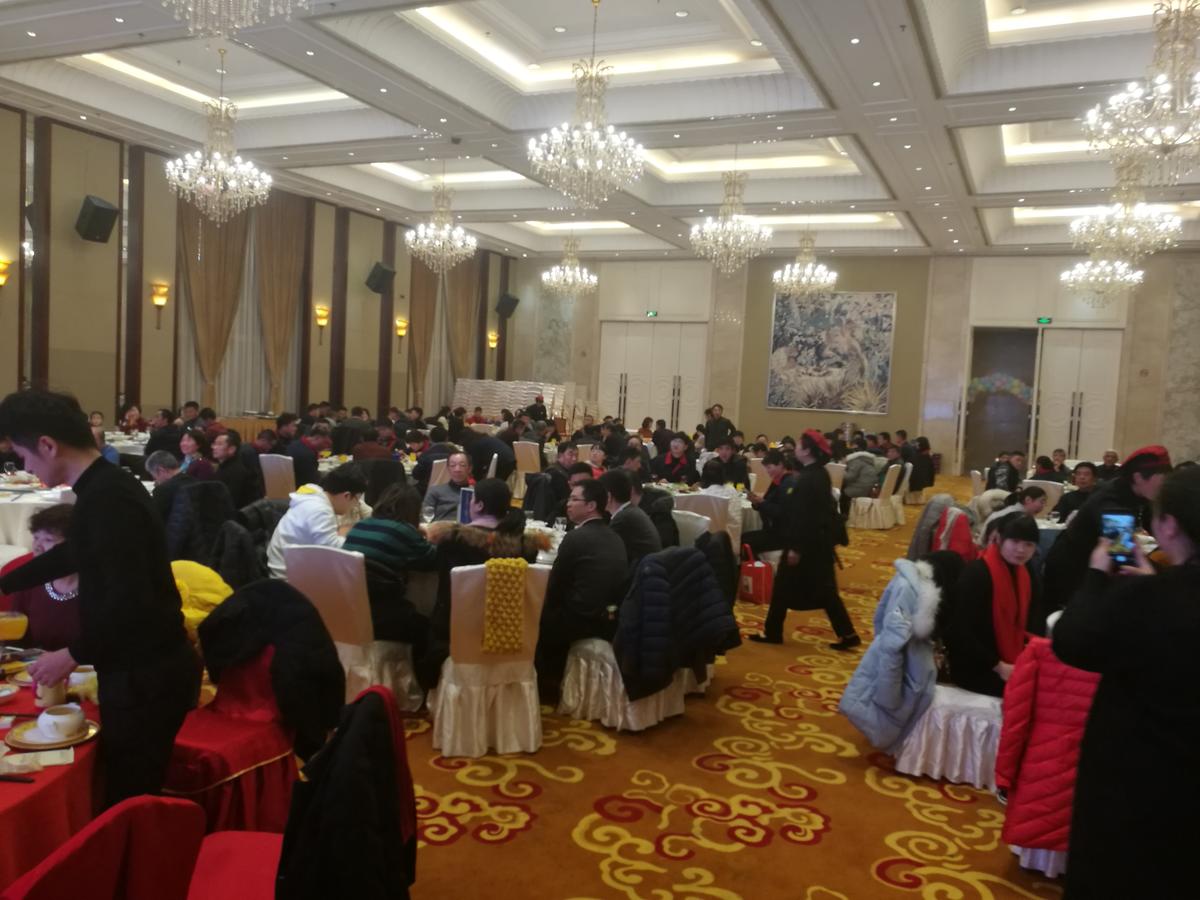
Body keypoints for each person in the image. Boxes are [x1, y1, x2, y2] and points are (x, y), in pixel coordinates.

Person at [0, 389, 199, 806]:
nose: (26, 467)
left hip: (146, 672)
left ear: (47, 445)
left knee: (129, 797)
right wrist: (6, 584)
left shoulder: (110, 498)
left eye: (23, 455)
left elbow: (132, 600)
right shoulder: (103, 487)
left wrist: (72, 653)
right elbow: (77, 553)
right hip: (140, 665)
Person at [1051, 466, 1200, 899]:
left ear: (1168, 525)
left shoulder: (1147, 599)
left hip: (1137, 776)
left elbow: (1072, 641)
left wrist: (1097, 575)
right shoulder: (1158, 594)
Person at [419, 479, 547, 688]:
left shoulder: (453, 540)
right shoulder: (526, 546)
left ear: (478, 505)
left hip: (458, 633)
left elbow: (443, 589)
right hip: (512, 632)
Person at [839, 551, 965, 753]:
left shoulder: (907, 583)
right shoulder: (912, 594)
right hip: (905, 663)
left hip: (902, 657)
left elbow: (880, 618)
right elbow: (893, 646)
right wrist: (889, 696)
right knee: (888, 702)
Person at [751, 431, 859, 650]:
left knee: (814, 590)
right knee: (813, 590)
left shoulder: (809, 479)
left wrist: (795, 548)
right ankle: (846, 633)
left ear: (808, 451)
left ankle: (774, 632)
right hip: (816, 542)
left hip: (808, 544)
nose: (796, 449)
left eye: (800, 446)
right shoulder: (818, 473)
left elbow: (805, 516)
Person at [1042, 445, 1171, 609]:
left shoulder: (1136, 492)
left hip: (1094, 563)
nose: (1164, 485)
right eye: (1162, 479)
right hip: (1072, 568)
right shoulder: (1112, 501)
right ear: (1138, 477)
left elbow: (1154, 524)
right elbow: (1122, 554)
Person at [536, 479, 629, 699]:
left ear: (591, 506)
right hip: (611, 616)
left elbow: (555, 586)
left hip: (584, 619)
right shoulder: (614, 536)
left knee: (535, 615)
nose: (568, 504)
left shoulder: (576, 538)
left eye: (574, 499)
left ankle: (545, 686)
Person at [945, 513, 1045, 697]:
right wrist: (999, 666)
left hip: (1009, 656)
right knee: (1032, 696)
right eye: (1015, 541)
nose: (1021, 550)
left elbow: (1030, 621)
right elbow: (958, 632)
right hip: (977, 664)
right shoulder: (977, 574)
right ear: (999, 539)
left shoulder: (1026, 572)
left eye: (1029, 544)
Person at [1, 504, 82, 650]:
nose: (37, 546)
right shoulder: (28, 581)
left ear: (72, 547)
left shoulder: (99, 587)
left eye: (48, 540)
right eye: (36, 537)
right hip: (36, 662)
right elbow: (16, 640)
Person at [266, 465, 368, 578]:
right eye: (357, 500)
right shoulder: (321, 510)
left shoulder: (313, 496)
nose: (355, 505)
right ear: (347, 496)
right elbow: (334, 553)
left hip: (288, 566)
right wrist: (352, 536)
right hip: (288, 577)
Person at [343, 483, 437, 575]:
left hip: (350, 581)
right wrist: (431, 536)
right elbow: (432, 559)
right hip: (383, 583)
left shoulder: (361, 524)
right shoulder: (402, 530)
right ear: (414, 509)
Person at [599, 469, 662, 573]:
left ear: (608, 496)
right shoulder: (630, 511)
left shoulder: (624, 518)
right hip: (647, 570)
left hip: (642, 575)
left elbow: (604, 551)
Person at [421, 451, 474, 522]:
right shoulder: (435, 491)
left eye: (462, 465)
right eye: (452, 465)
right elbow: (425, 516)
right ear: (448, 469)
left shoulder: (476, 492)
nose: (457, 469)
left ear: (469, 469)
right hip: (440, 527)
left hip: (468, 528)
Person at [145, 450, 191, 523]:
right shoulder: (195, 481)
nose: (155, 479)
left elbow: (154, 520)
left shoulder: (162, 490)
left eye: (154, 475)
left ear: (161, 470)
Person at [841, 438, 878, 517]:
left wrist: (842, 468)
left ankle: (845, 516)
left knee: (840, 494)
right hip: (868, 488)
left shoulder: (857, 460)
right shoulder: (867, 458)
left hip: (859, 488)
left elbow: (849, 477)